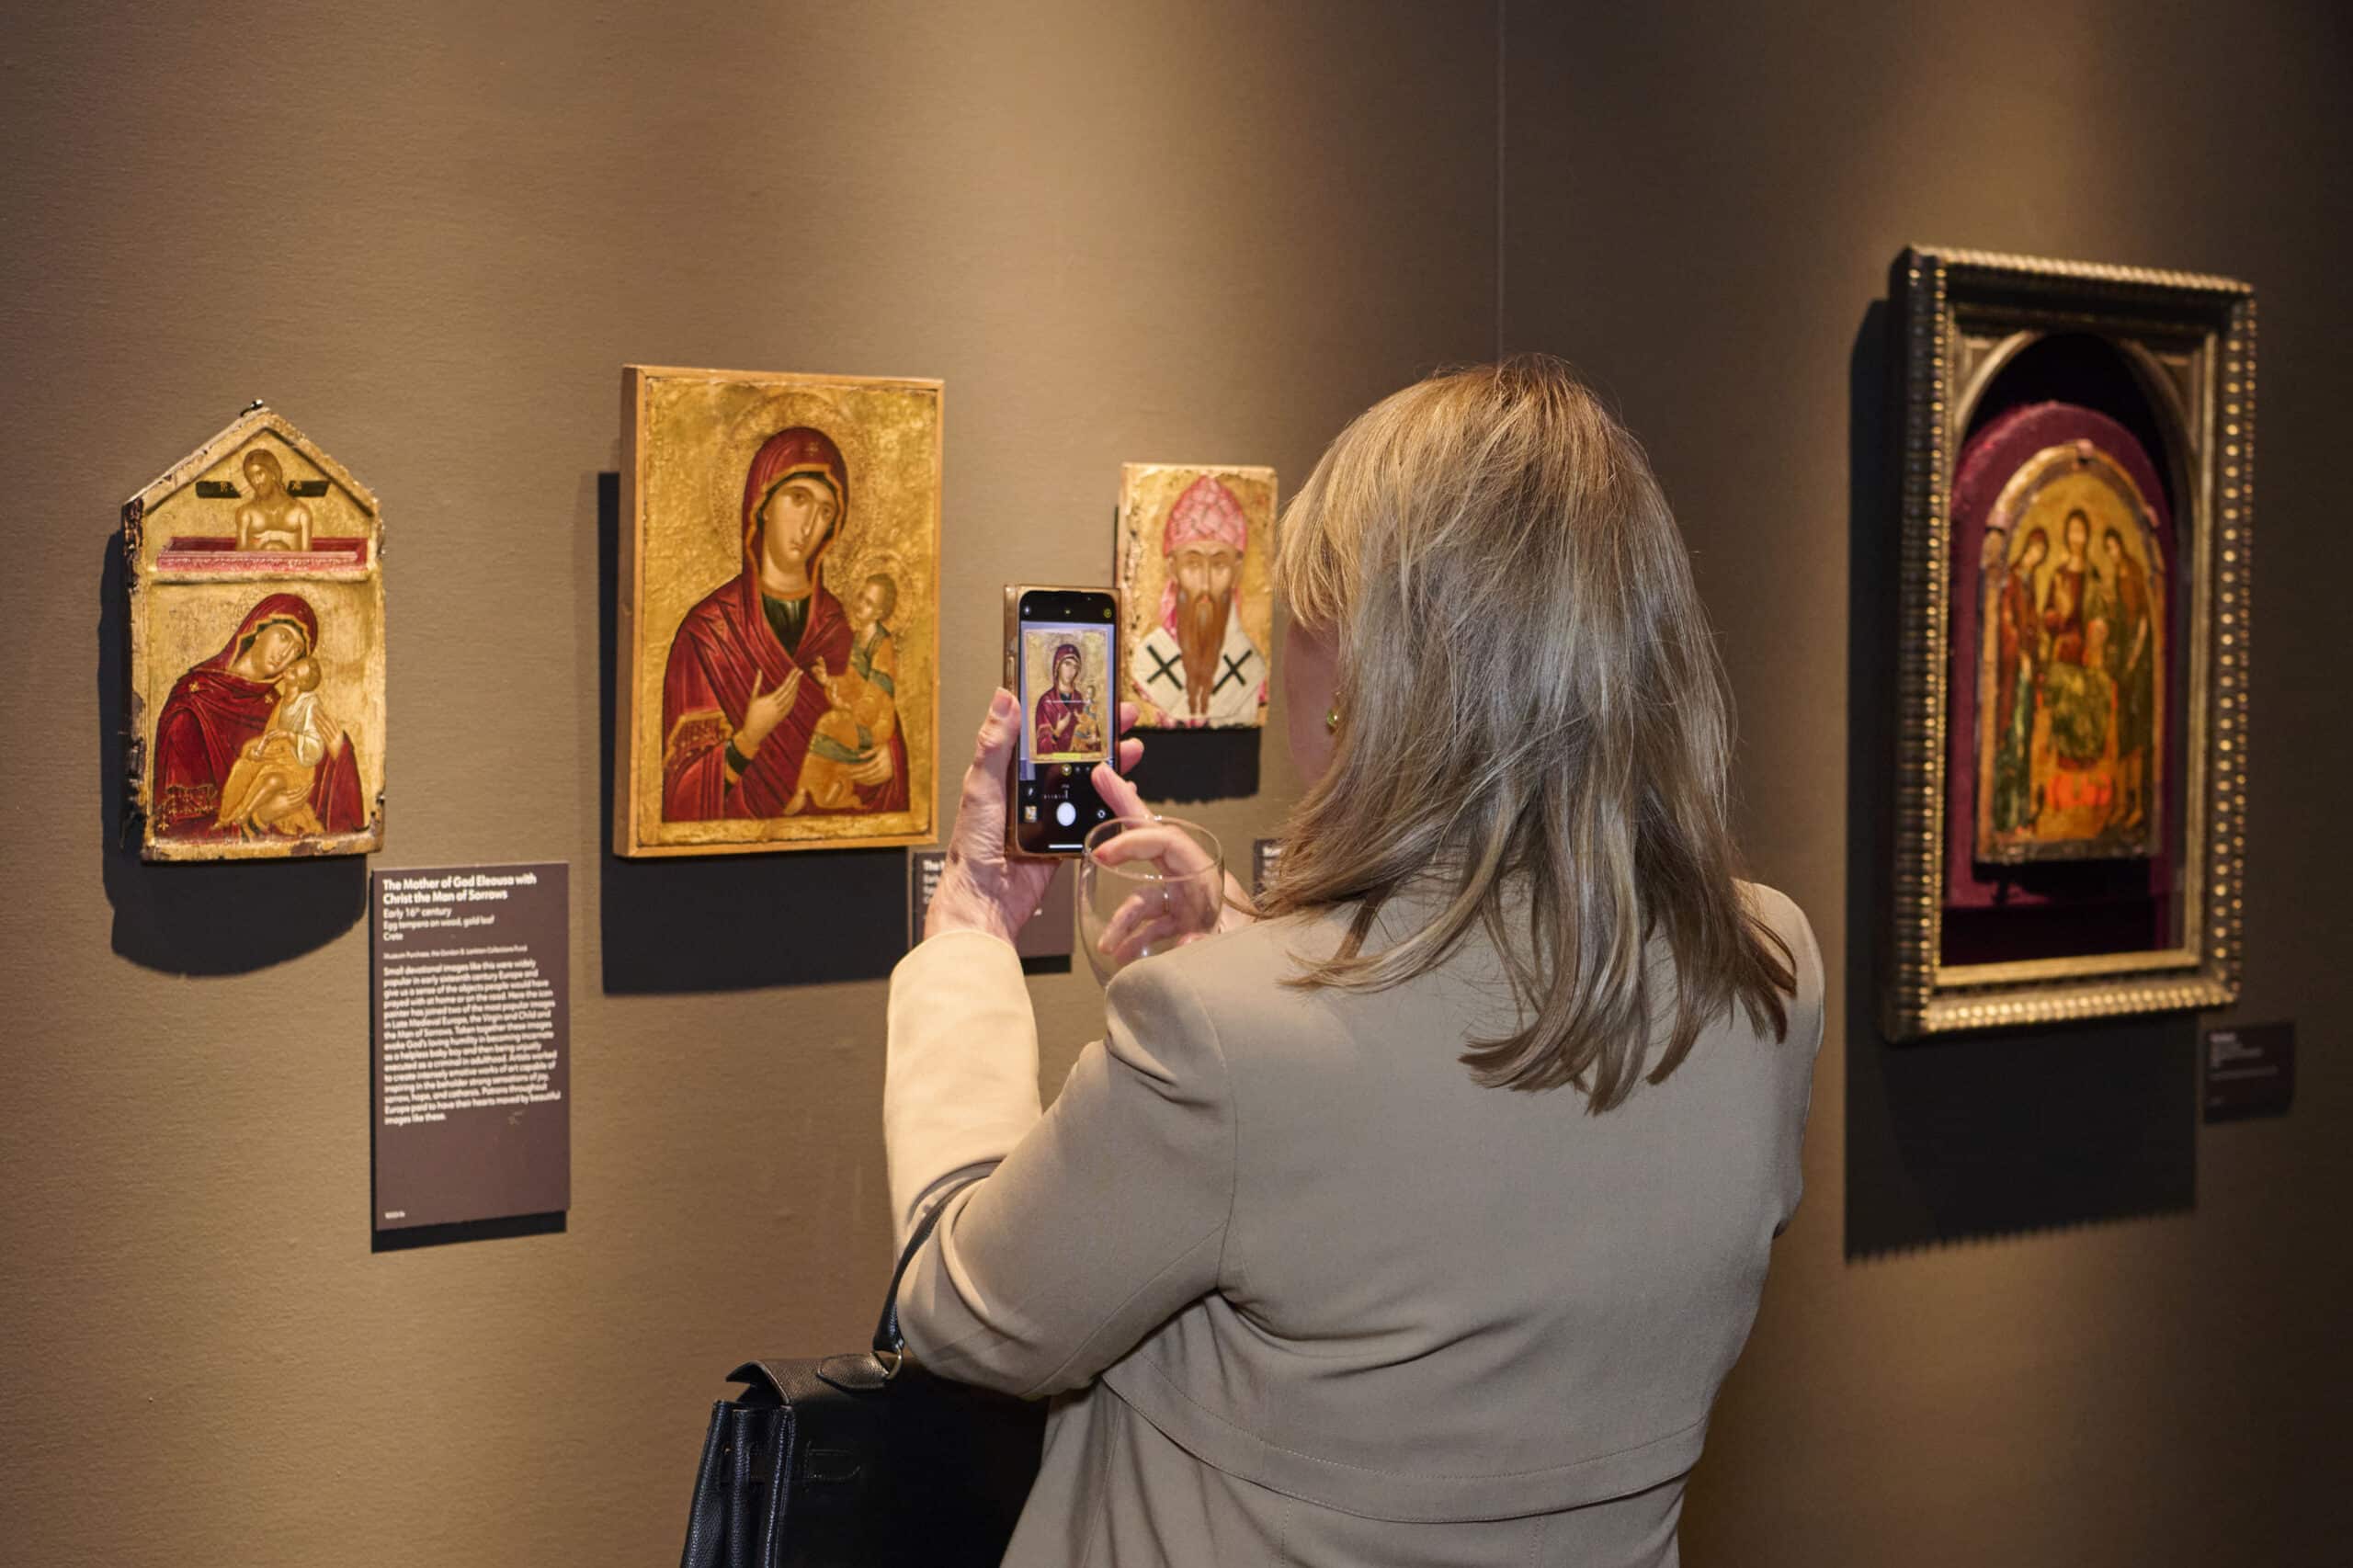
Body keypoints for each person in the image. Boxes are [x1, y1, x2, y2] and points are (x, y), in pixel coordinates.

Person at [884, 357, 1824, 1567]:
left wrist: (967, 940)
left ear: (1363, 675)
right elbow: (1460, 1145)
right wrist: (1257, 953)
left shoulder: (1224, 1039)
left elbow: (964, 1309)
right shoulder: (1766, 965)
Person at [660, 426, 907, 820]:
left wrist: (890, 758)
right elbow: (677, 793)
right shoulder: (708, 633)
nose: (809, 526)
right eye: (798, 498)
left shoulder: (843, 627)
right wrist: (747, 739)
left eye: (825, 511)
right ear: (763, 504)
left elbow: (877, 713)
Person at [151, 593, 366, 840]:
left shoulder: (276, 707)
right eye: (283, 637)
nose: (285, 654)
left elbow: (307, 778)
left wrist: (340, 755)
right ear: (256, 629)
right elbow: (178, 833)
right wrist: (261, 817)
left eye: (296, 651)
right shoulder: (192, 708)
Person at [1132, 473, 1267, 726]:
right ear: (1172, 569)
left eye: (1219, 564)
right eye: (1192, 564)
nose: (1205, 584)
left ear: (1237, 571)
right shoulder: (1146, 663)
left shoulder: (1251, 670)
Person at [789, 573, 904, 814]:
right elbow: (851, 682)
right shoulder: (859, 638)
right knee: (829, 727)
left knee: (829, 723)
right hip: (858, 714)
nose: (860, 605)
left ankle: (803, 791)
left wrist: (849, 709)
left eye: (869, 603)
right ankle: (832, 790)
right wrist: (828, 680)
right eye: (861, 597)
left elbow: (875, 695)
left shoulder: (882, 645)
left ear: (879, 613)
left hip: (876, 724)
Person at [1992, 527, 2048, 835]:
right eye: (2035, 550)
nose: (2036, 556)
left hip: (2027, 673)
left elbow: (2031, 624)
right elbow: (2006, 624)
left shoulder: (2030, 582)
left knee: (2025, 740)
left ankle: (2022, 814)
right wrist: (2021, 654)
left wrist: (2036, 652)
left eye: (2041, 553)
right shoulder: (2012, 579)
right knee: (2012, 740)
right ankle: (2007, 816)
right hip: (2013, 674)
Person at [1030, 642, 1103, 761]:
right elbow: (1042, 747)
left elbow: (1093, 736)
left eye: (1075, 667)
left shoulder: (1082, 700)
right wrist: (1057, 731)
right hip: (1053, 767)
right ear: (1057, 666)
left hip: (1079, 765)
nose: (1071, 671)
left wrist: (1092, 741)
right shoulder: (1046, 702)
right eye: (1067, 664)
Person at [233, 449, 313, 551]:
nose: (256, 481)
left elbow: (307, 556)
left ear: (273, 473)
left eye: (259, 474)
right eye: (251, 477)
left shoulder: (301, 512)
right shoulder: (245, 513)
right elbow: (240, 556)